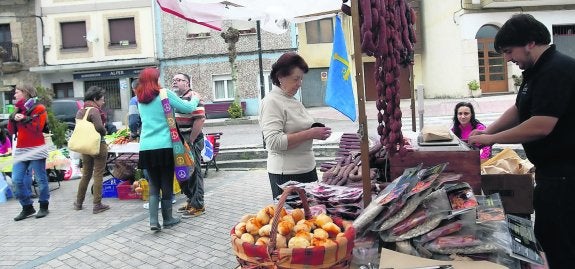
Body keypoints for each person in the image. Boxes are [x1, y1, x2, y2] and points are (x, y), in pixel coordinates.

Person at [468, 14, 575, 268]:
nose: (507, 59)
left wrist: (493, 138)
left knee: (561, 245)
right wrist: (486, 133)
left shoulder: (556, 70)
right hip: (551, 175)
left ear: (529, 42)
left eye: (508, 51)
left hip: (565, 178)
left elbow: (541, 125)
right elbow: (519, 109)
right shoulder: (536, 70)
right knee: (548, 238)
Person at [259, 52, 332, 200]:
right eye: (296, 79)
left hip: (307, 169)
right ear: (280, 77)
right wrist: (311, 133)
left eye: (301, 79)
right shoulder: (272, 102)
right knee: (294, 220)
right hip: (287, 174)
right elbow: (273, 142)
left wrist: (316, 131)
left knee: (311, 218)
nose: (300, 83)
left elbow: (299, 129)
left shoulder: (292, 100)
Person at [136, 67, 200, 231]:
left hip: (146, 147)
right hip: (164, 146)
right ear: (155, 80)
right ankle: (168, 218)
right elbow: (187, 108)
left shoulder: (140, 98)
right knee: (166, 183)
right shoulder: (164, 94)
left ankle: (152, 221)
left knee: (153, 184)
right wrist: (195, 99)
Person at [7, 84, 51, 221]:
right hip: (21, 149)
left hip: (37, 148)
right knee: (16, 180)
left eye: (17, 92)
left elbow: (38, 128)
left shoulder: (39, 108)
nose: (15, 95)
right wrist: (12, 118)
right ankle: (27, 207)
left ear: (25, 93)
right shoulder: (17, 109)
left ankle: (44, 206)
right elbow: (12, 131)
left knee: (41, 180)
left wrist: (24, 119)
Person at [171, 73, 206, 218]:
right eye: (173, 80)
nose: (175, 82)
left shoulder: (193, 96)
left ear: (187, 83)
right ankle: (191, 200)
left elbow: (200, 119)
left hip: (191, 139)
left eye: (179, 80)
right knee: (183, 172)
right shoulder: (177, 98)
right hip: (180, 139)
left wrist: (190, 140)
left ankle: (198, 205)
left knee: (194, 172)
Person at [73, 86, 110, 214]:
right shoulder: (94, 110)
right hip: (98, 145)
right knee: (98, 174)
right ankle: (97, 204)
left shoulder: (80, 111)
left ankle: (78, 202)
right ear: (95, 99)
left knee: (86, 175)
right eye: (102, 100)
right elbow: (99, 127)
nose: (103, 102)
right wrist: (105, 131)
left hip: (85, 146)